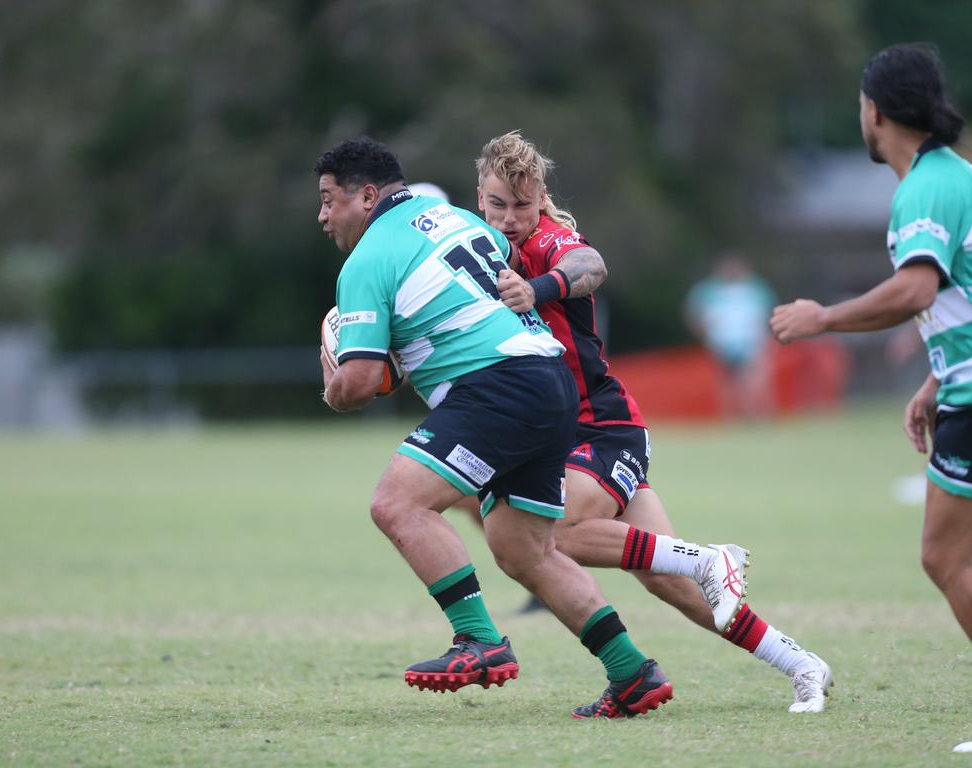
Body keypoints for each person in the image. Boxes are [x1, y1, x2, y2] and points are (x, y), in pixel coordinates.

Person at [316, 136, 679, 719]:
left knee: (397, 504)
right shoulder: (456, 219)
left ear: (365, 196)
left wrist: (334, 381)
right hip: (549, 378)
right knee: (522, 546)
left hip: (498, 386)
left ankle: (478, 641)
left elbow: (358, 384)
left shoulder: (366, 261)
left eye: (329, 199)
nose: (323, 215)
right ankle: (632, 673)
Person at [474, 130, 832, 713]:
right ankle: (801, 662)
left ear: (541, 198)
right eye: (497, 204)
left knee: (553, 534)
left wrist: (535, 290)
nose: (511, 218)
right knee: (674, 585)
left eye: (522, 204)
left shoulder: (548, 242)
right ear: (480, 200)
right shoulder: (482, 252)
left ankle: (707, 558)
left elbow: (590, 264)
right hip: (558, 440)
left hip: (602, 429)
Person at [770, 45, 971, 745]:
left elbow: (917, 288)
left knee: (946, 559)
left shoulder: (926, 187)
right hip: (962, 387)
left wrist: (824, 317)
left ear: (875, 110)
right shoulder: (948, 178)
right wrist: (934, 379)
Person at [685, 253, 777, 418]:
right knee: (727, 383)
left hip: (752, 342)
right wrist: (707, 336)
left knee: (754, 381)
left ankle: (758, 416)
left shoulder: (756, 288)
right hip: (722, 343)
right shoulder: (708, 290)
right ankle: (732, 418)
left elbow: (769, 313)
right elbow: (695, 315)